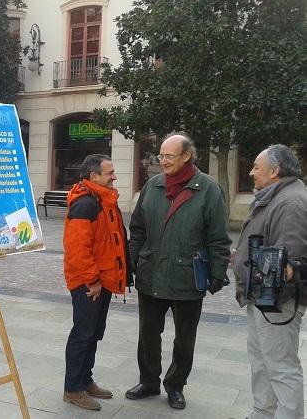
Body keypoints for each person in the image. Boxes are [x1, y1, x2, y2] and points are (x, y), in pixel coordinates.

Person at [125, 133, 231, 409]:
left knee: (185, 338)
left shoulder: (208, 189)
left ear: (187, 156)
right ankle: (148, 381)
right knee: (148, 333)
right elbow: (137, 228)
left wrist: (217, 273)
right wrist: (134, 260)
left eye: (169, 156)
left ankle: (175, 386)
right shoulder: (152, 186)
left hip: (187, 276)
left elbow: (218, 237)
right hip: (151, 274)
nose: (163, 161)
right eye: (161, 156)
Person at [231, 144, 307, 419]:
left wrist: (267, 285)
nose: (251, 172)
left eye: (256, 167)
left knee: (280, 367)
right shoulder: (277, 196)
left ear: (275, 171)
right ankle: (262, 413)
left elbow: (289, 260)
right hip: (262, 298)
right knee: (262, 362)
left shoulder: (290, 202)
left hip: (276, 302)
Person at [62, 154, 132, 411]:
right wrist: (92, 281)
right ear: (94, 177)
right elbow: (78, 249)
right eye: (110, 172)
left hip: (101, 280)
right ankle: (72, 388)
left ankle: (85, 380)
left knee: (93, 333)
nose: (114, 176)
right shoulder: (85, 204)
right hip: (88, 283)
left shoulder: (103, 199)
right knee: (83, 334)